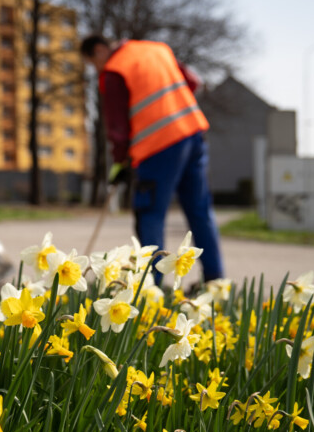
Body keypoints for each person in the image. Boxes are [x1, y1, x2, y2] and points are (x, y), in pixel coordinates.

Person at [80, 35, 224, 284]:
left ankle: (151, 287)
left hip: (157, 147)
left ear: (100, 50)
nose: (97, 69)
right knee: (200, 210)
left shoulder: (114, 70)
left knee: (151, 214)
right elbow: (192, 82)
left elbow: (117, 127)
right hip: (192, 134)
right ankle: (215, 281)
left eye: (93, 63)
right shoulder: (158, 49)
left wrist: (119, 162)